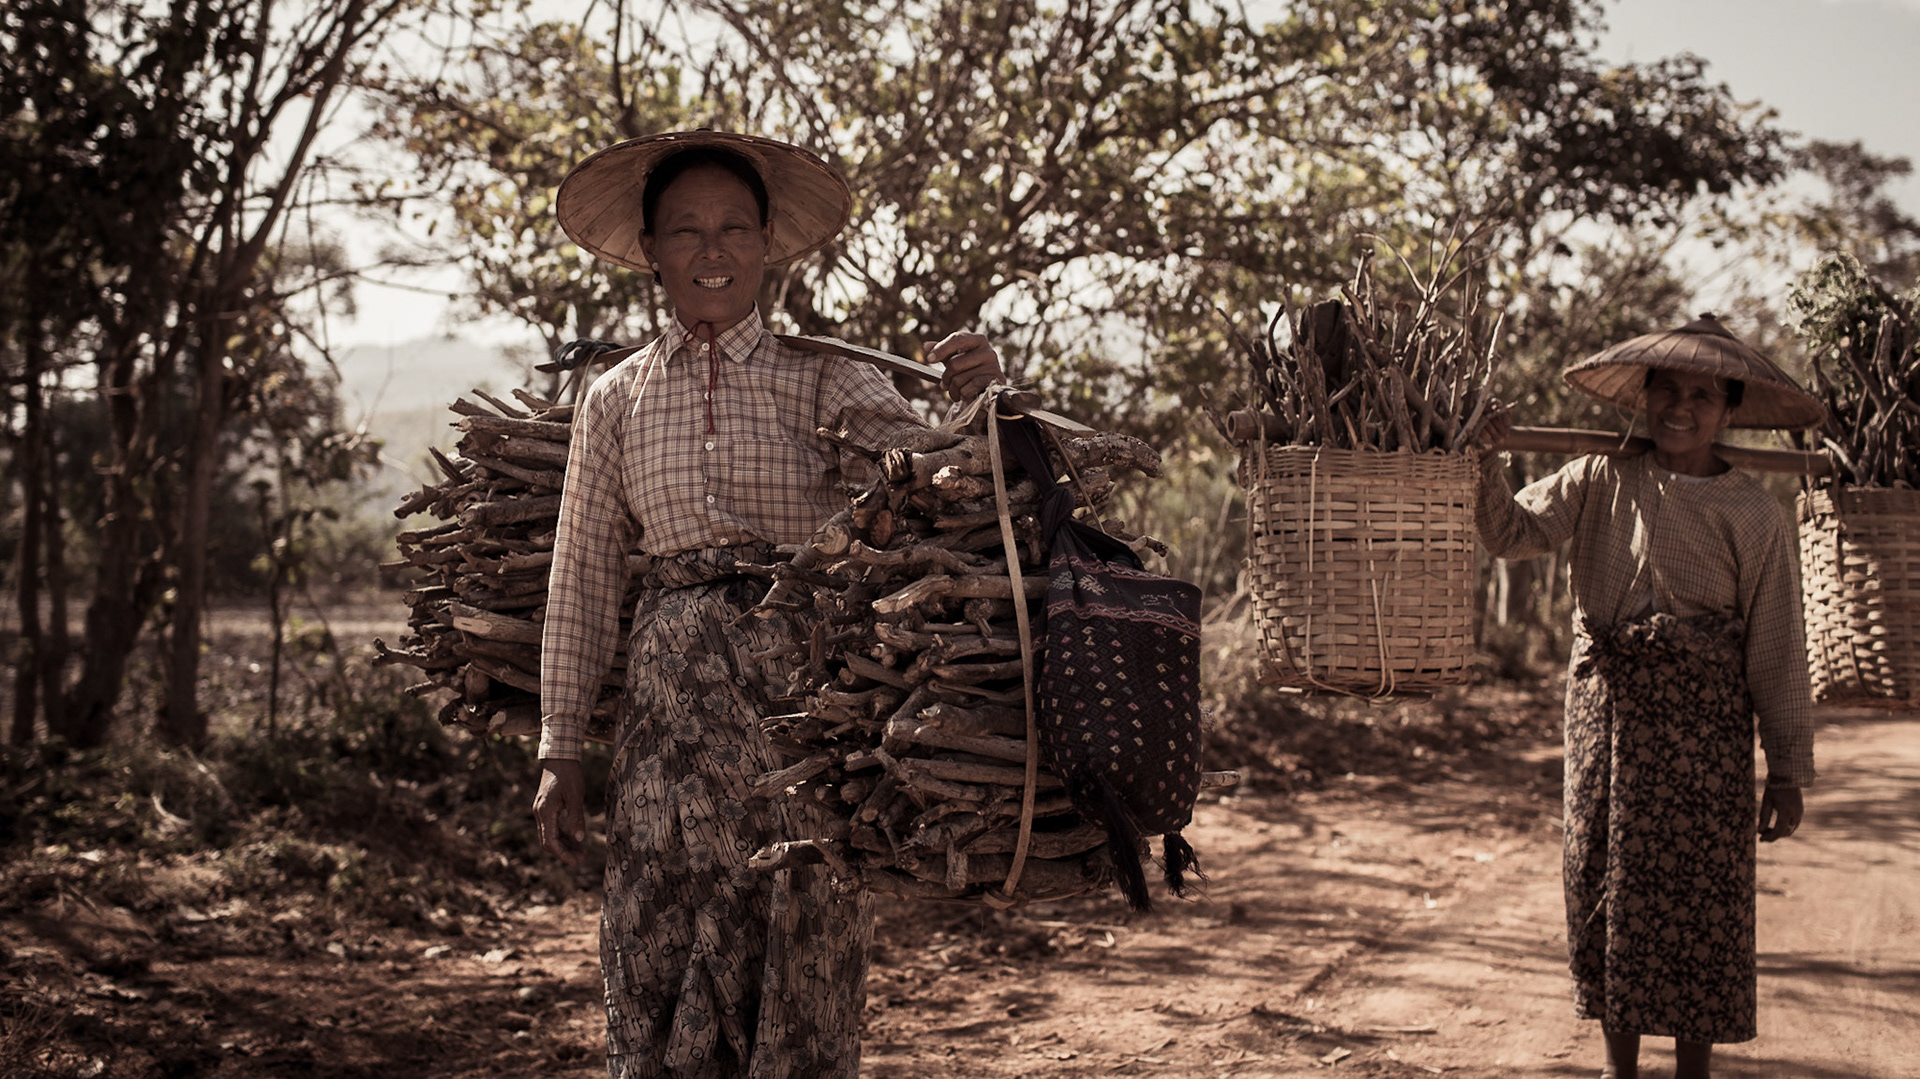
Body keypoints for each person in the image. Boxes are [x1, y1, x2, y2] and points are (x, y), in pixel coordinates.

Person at [530, 130, 1002, 1079]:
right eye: (687, 231)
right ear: (651, 249)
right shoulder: (615, 398)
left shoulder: (824, 376)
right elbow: (581, 566)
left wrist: (981, 402)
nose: (712, 250)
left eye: (734, 227)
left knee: (800, 929)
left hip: (800, 716)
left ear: (768, 243)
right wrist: (559, 742)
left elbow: (949, 481)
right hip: (666, 725)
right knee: (660, 933)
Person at [1471, 315, 1821, 1079]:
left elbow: (1776, 650)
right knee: (1602, 879)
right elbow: (1509, 532)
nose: (1681, 407)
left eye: (1702, 394)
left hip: (1705, 738)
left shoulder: (1754, 514)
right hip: (1609, 720)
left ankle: (1692, 1068)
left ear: (1729, 411)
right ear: (1644, 395)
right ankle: (1617, 1068)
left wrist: (1788, 769)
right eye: (1668, 388)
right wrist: (1480, 457)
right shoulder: (1597, 476)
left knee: (1699, 899)